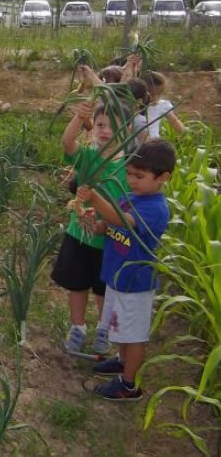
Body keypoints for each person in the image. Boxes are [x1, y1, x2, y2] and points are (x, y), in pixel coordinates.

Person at [76, 138, 176, 401]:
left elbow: (125, 222)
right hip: (118, 276)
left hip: (135, 282)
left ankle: (129, 385)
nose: (131, 180)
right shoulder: (131, 197)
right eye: (129, 174)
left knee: (134, 335)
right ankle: (121, 361)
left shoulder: (156, 208)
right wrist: (101, 226)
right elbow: (115, 225)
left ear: (162, 177)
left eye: (139, 176)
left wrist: (96, 200)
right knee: (119, 326)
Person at [53, 101, 130, 355]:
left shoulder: (129, 168)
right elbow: (67, 143)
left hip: (110, 240)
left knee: (103, 288)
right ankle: (78, 327)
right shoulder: (88, 155)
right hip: (80, 233)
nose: (105, 130)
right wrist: (78, 118)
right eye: (99, 124)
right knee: (77, 284)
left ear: (127, 129)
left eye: (113, 126)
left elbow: (129, 210)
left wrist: (107, 225)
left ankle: (104, 328)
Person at [140, 71, 185, 139]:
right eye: (150, 94)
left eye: (158, 94)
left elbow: (174, 121)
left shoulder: (162, 105)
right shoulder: (136, 105)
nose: (154, 98)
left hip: (153, 143)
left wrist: (183, 131)